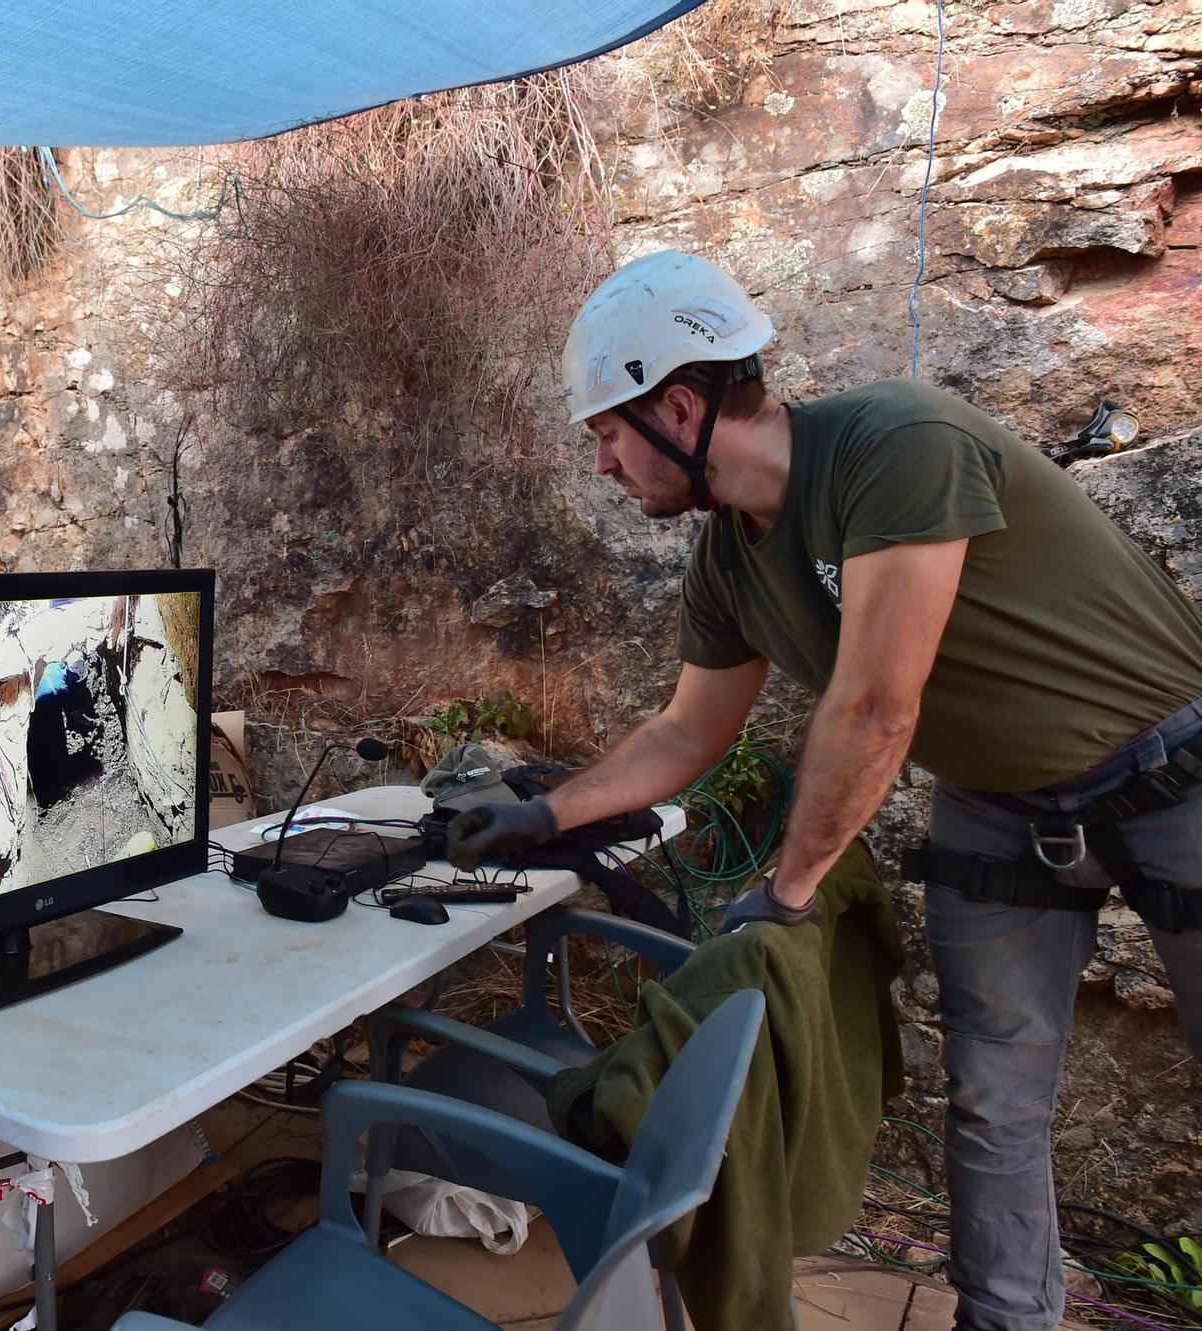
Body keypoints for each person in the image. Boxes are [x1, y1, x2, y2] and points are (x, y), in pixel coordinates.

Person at [445, 250, 1202, 1331]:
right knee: (992, 1100)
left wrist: (791, 885)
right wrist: (548, 811)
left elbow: (874, 704)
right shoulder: (724, 561)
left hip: (1174, 771)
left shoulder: (895, 443)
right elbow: (685, 727)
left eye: (606, 435)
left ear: (676, 404)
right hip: (999, 800)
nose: (604, 467)